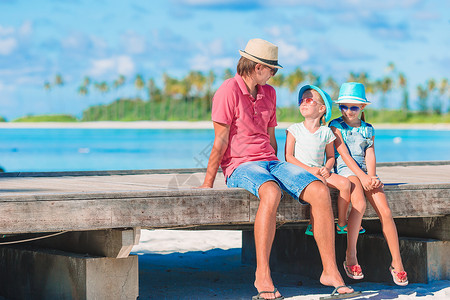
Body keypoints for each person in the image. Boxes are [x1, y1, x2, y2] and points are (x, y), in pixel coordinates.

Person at [198, 38, 359, 300]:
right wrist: (208, 183)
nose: (273, 75)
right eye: (272, 70)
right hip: (241, 165)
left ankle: (329, 270)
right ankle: (262, 275)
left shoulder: (269, 94)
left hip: (271, 162)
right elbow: (220, 141)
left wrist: (281, 168)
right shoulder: (227, 91)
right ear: (258, 67)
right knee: (271, 193)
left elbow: (271, 138)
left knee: (318, 190)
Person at [329, 82, 408, 286]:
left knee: (386, 212)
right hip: (346, 170)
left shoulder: (368, 129)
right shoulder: (336, 126)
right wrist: (362, 177)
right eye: (344, 107)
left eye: (354, 107)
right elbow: (343, 154)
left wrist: (371, 176)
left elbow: (370, 153)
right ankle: (351, 255)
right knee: (360, 204)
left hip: (364, 170)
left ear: (362, 107)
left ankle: (397, 262)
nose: (348, 111)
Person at [285, 85, 357, 239]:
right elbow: (288, 157)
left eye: (309, 100)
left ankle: (342, 223)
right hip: (300, 171)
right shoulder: (294, 129)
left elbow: (331, 156)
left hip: (319, 170)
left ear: (322, 108)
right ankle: (313, 223)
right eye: (301, 101)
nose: (303, 103)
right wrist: (310, 170)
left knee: (345, 184)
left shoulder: (326, 132)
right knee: (319, 185)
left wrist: (327, 168)